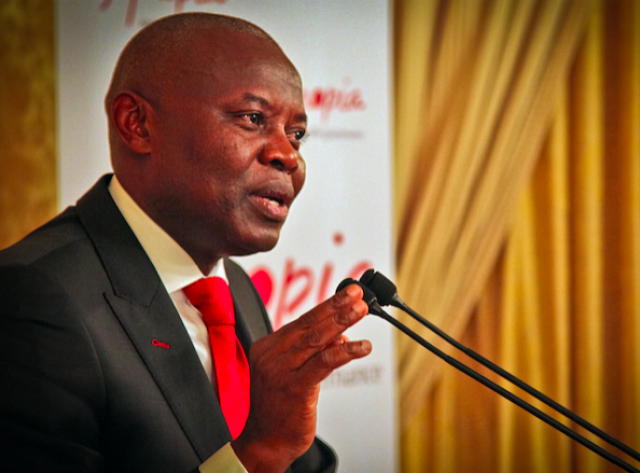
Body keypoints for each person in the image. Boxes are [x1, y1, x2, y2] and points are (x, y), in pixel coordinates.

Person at [0, 12, 372, 473]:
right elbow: (265, 450)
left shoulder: (233, 286)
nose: (288, 156)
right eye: (253, 118)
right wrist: (260, 452)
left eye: (296, 134)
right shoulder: (32, 299)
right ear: (137, 124)